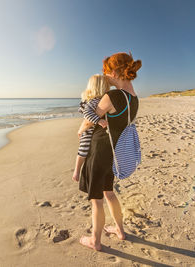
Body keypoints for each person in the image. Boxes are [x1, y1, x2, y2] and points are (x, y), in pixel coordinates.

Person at [77, 52, 142, 251]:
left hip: (99, 151)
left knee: (96, 200)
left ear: (114, 72)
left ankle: (95, 241)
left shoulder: (112, 96)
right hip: (114, 152)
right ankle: (120, 231)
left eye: (106, 73)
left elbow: (89, 120)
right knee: (109, 193)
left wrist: (79, 130)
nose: (105, 77)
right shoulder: (134, 98)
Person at [72, 74, 109, 182]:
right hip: (88, 131)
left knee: (87, 151)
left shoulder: (97, 99)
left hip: (91, 130)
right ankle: (77, 171)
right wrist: (99, 120)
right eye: (106, 85)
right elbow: (87, 115)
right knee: (83, 149)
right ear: (102, 87)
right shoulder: (95, 101)